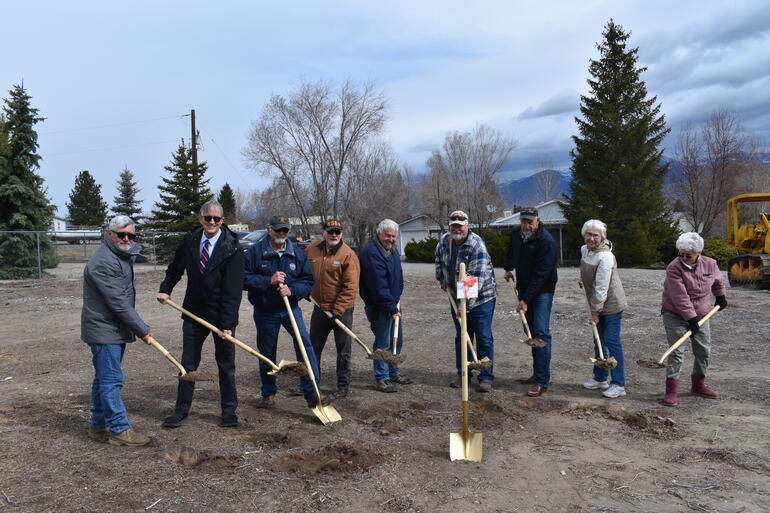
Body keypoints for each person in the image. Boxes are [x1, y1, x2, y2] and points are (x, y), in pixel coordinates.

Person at [157, 200, 244, 428]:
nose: (212, 222)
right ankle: (181, 411)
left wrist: (227, 322)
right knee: (187, 363)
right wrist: (165, 289)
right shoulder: (190, 241)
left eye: (216, 219)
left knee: (225, 364)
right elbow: (175, 268)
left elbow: (233, 289)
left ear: (222, 221)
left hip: (220, 316)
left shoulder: (233, 247)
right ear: (200, 219)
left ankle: (229, 412)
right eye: (208, 218)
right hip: (193, 312)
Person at [81, 215, 152, 446]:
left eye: (130, 235)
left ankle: (98, 425)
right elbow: (118, 302)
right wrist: (142, 330)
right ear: (109, 234)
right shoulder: (103, 261)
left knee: (103, 378)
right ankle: (119, 429)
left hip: (112, 328)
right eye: (121, 234)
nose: (126, 238)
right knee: (111, 379)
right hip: (104, 329)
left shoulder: (119, 256)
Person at [243, 215, 323, 409]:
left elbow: (307, 281)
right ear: (269, 230)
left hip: (290, 309)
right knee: (267, 353)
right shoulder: (255, 252)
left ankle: (312, 392)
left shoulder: (296, 253)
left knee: (305, 347)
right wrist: (267, 281)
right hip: (265, 311)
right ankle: (269, 393)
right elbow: (243, 278)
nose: (281, 234)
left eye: (285, 230)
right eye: (278, 229)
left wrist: (292, 290)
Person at [660, 232, 727, 406]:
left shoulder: (710, 264)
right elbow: (680, 297)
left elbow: (718, 279)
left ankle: (698, 385)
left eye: (688, 255)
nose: (683, 258)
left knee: (704, 351)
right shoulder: (674, 267)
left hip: (702, 314)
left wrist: (720, 296)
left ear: (698, 253)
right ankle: (671, 391)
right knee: (677, 352)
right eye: (680, 254)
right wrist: (691, 318)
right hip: (675, 314)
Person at [434, 210, 497, 392]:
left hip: (481, 298)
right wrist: (442, 280)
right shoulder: (445, 240)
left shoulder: (476, 245)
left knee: (483, 336)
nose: (457, 229)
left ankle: (485, 377)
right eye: (453, 225)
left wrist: (465, 307)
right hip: (456, 295)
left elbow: (475, 278)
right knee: (462, 336)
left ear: (467, 226)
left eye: (460, 226)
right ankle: (464, 375)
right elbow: (439, 260)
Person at [503, 207, 558, 397]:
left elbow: (541, 275)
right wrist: (509, 268)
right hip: (524, 287)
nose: (526, 225)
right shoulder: (516, 235)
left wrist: (525, 299)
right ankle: (537, 374)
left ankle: (542, 381)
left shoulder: (547, 241)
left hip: (542, 290)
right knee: (531, 332)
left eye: (530, 222)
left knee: (541, 333)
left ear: (538, 221)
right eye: (523, 221)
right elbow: (511, 252)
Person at [307, 220, 360, 400]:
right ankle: (312, 382)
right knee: (313, 348)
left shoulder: (348, 255)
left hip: (342, 311)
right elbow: (302, 270)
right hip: (319, 308)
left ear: (342, 234)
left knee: (343, 350)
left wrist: (337, 310)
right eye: (331, 231)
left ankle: (343, 386)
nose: (334, 235)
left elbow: (350, 287)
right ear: (324, 233)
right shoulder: (312, 249)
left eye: (337, 231)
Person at [359, 219, 412, 392]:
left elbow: (398, 278)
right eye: (388, 235)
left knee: (397, 340)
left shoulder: (393, 251)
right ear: (379, 234)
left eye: (394, 236)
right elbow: (377, 287)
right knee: (383, 342)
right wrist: (391, 307)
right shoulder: (371, 254)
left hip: (393, 303)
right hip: (379, 305)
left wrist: (396, 303)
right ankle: (381, 378)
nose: (391, 239)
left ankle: (393, 372)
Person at [579, 219, 627, 398]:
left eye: (595, 235)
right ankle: (600, 378)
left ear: (602, 237)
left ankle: (618, 384)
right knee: (597, 340)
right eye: (588, 234)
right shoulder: (584, 250)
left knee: (611, 341)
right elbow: (587, 272)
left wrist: (595, 312)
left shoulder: (606, 256)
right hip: (596, 302)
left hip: (611, 304)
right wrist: (583, 280)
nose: (591, 238)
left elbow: (601, 287)